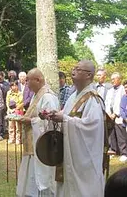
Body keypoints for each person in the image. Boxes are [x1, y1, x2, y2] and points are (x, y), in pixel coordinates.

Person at [50, 60, 105, 197]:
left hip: (84, 157)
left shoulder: (93, 99)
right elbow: (67, 114)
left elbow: (92, 126)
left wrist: (65, 120)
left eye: (78, 69)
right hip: (69, 152)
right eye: (74, 68)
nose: (73, 71)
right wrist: (52, 114)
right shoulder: (73, 96)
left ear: (88, 75)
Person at [17, 68, 59, 197]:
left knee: (43, 175)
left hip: (43, 146)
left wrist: (30, 121)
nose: (27, 83)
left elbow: (51, 123)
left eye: (29, 80)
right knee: (31, 174)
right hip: (33, 144)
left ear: (38, 80)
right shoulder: (37, 95)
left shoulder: (47, 96)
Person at [105, 72, 126, 161]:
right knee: (111, 134)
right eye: (111, 79)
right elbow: (107, 102)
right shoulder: (110, 90)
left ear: (119, 79)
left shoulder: (123, 89)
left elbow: (122, 103)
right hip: (110, 115)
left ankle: (124, 153)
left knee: (120, 134)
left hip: (118, 116)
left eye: (114, 79)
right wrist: (108, 113)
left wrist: (116, 114)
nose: (112, 81)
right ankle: (113, 150)